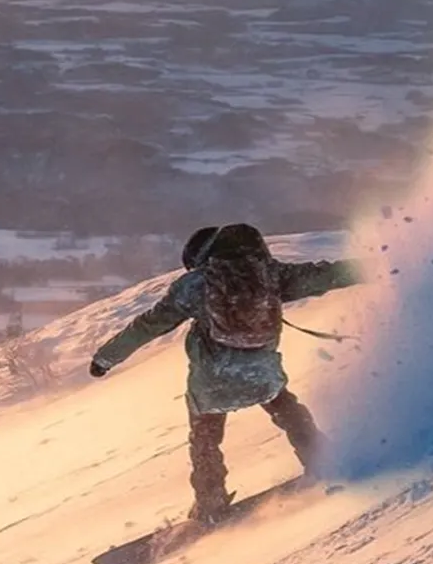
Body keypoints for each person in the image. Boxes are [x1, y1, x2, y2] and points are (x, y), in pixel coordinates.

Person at [88, 222, 358, 524]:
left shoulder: (194, 286)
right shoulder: (270, 275)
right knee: (289, 410)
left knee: (205, 439)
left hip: (211, 381)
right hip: (263, 374)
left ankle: (210, 504)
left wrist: (105, 358)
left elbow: (148, 325)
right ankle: (322, 460)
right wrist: (387, 263)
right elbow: (328, 276)